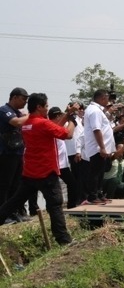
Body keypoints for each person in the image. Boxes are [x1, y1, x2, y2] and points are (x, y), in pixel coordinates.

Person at [0, 93, 77, 245]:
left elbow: (53, 128)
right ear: (39, 107)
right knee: (55, 205)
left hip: (30, 172)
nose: (47, 109)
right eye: (46, 106)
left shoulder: (28, 123)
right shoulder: (43, 124)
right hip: (47, 172)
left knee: (14, 201)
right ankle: (64, 240)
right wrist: (73, 121)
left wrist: (67, 114)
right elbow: (67, 134)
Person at [0, 87, 30, 223]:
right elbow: (16, 122)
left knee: (16, 185)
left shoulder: (18, 112)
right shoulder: (4, 110)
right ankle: (2, 215)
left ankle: (13, 212)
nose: (25, 102)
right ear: (15, 97)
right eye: (24, 99)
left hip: (18, 153)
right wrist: (31, 115)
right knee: (4, 185)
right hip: (6, 153)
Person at [84, 89, 117, 205]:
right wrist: (102, 147)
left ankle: (99, 193)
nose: (108, 100)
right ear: (102, 98)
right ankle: (92, 196)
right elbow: (96, 129)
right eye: (107, 98)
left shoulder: (98, 110)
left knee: (100, 172)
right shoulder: (94, 111)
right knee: (95, 172)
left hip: (101, 148)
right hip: (97, 148)